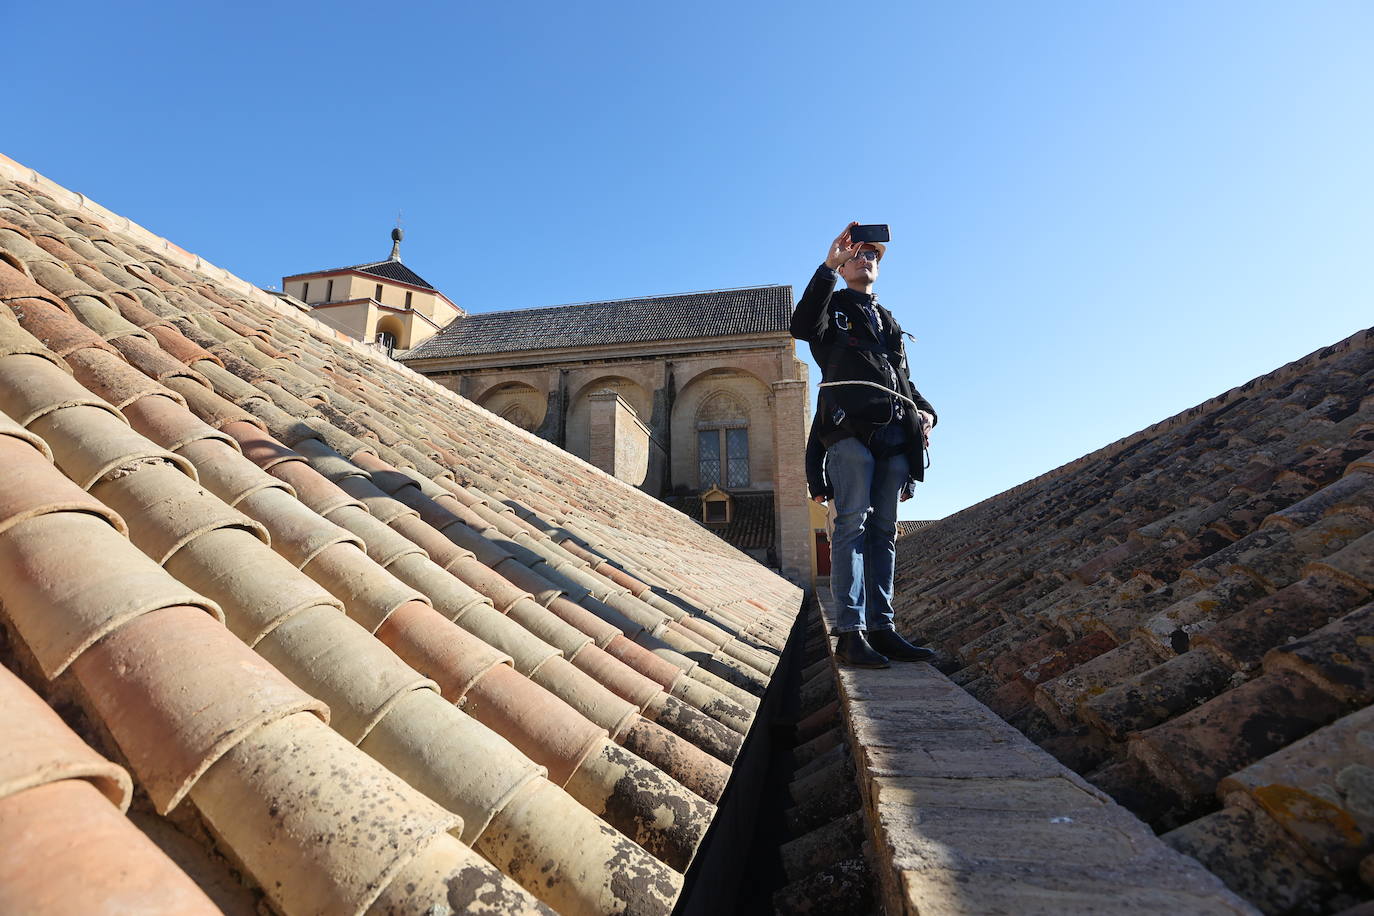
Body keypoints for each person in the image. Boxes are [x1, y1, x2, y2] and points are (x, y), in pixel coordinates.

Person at [791, 222, 938, 668]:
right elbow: (801, 326)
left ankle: (882, 629)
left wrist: (927, 412)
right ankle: (851, 633)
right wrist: (827, 266)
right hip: (849, 432)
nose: (865, 259)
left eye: (872, 254)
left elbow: (903, 379)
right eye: (856, 254)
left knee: (884, 532)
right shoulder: (831, 307)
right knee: (851, 526)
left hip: (895, 437)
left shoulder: (888, 320)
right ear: (843, 263)